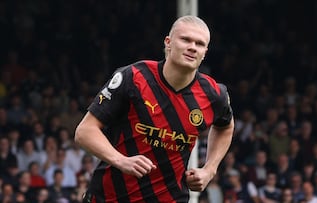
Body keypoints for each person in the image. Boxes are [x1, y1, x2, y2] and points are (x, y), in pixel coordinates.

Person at [75, 15, 234, 203]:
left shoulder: (214, 94)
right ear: (168, 42)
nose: (192, 47)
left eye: (199, 44)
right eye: (185, 40)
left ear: (205, 52)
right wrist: (121, 161)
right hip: (110, 197)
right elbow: (84, 131)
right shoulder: (133, 78)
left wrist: (209, 170)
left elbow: (225, 126)